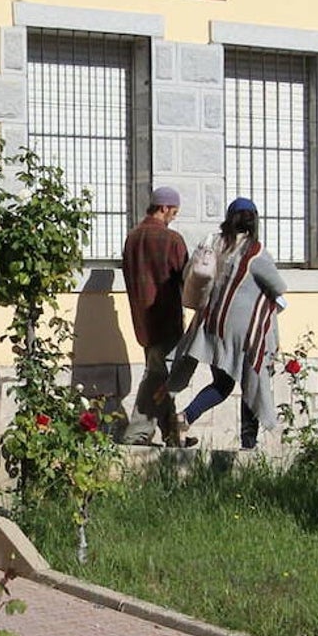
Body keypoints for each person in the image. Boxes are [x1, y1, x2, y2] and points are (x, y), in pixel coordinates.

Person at [168, 197, 287, 450]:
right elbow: (278, 286)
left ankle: (185, 416)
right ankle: (248, 443)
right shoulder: (256, 253)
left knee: (222, 384)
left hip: (213, 328)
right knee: (250, 383)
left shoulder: (215, 245)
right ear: (254, 221)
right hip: (245, 335)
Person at [121, 186, 189, 446]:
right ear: (164, 208)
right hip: (166, 317)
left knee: (160, 371)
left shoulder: (132, 238)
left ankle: (172, 435)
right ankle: (137, 432)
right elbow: (185, 279)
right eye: (173, 212)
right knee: (157, 375)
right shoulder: (172, 240)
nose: (173, 217)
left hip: (141, 318)